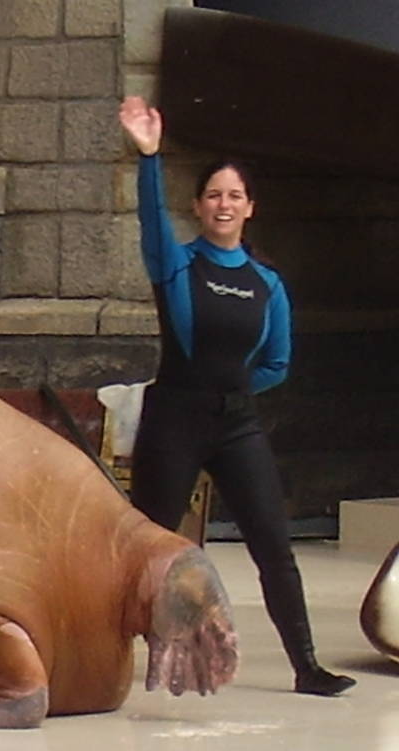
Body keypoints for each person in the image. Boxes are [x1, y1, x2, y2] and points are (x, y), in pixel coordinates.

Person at [117, 96, 353, 696]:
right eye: (214, 195)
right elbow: (150, 220)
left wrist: (234, 395)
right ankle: (105, 657)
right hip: (174, 418)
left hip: (236, 424)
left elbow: (277, 362)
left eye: (235, 196)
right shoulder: (176, 266)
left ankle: (307, 666)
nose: (224, 204)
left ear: (250, 208)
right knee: (147, 546)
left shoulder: (266, 283)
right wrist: (150, 157)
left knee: (274, 545)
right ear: (198, 206)